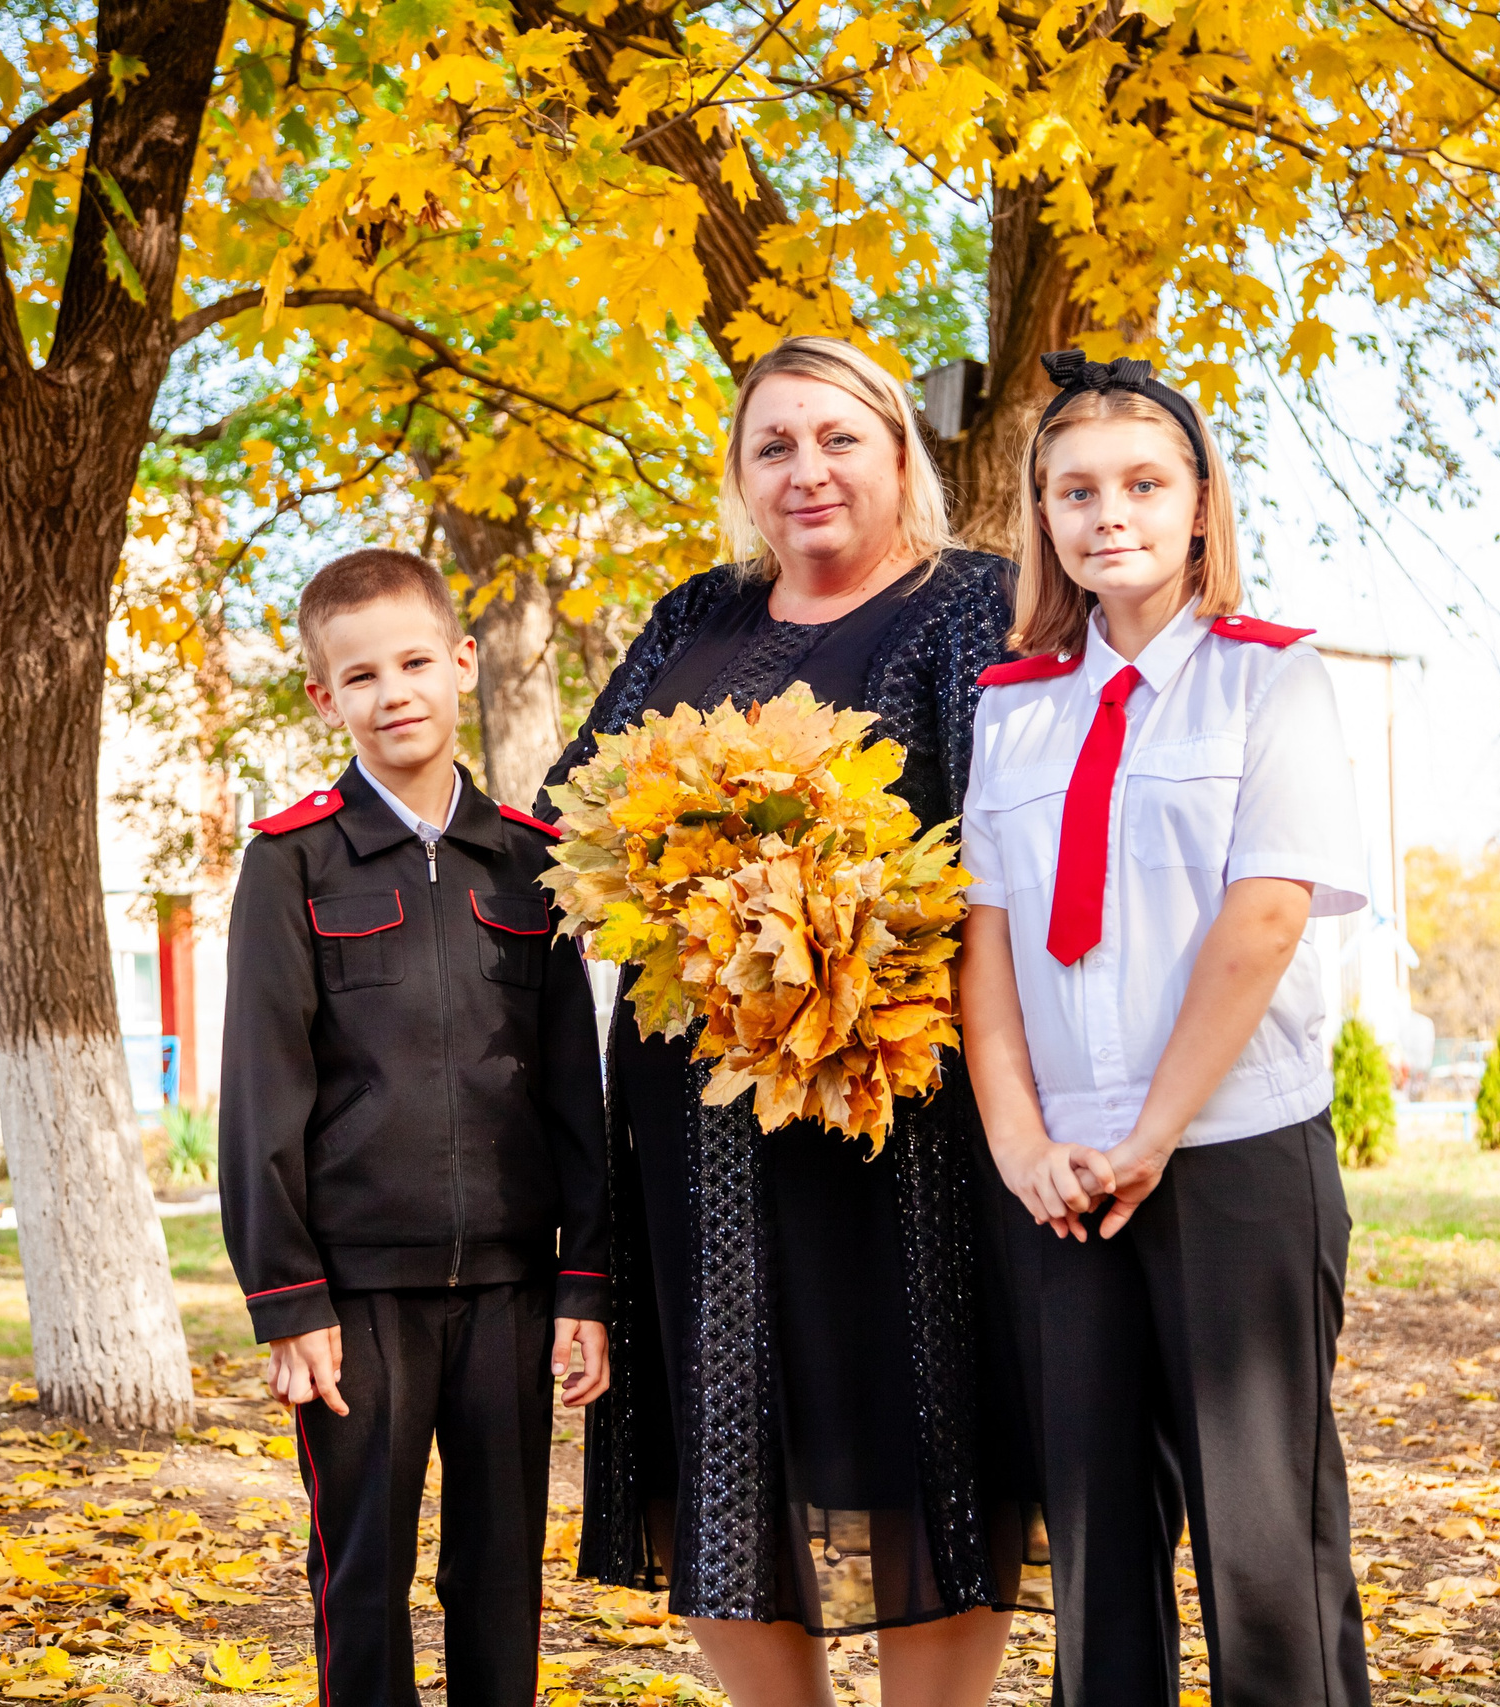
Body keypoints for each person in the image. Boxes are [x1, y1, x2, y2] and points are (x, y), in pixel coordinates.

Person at [547, 337, 1033, 1705]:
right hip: (693, 1123)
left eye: (839, 438)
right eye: (775, 445)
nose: (807, 469)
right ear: (741, 474)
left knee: (920, 1422)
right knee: (721, 1436)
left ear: (899, 453)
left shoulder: (968, 605)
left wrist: (833, 897)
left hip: (893, 1106)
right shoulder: (694, 614)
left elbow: (1011, 837)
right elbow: (576, 809)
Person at [958, 352, 1373, 1707]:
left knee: (1265, 1549)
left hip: (1231, 1155)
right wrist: (1022, 1140)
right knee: (1094, 1546)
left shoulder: (1274, 679)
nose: (1108, 513)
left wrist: (1153, 1131)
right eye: (1073, 490)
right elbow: (990, 936)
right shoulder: (1012, 705)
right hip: (1061, 1179)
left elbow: (1262, 918)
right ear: (1043, 516)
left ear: (1202, 504)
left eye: (1143, 482)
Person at [219, 548, 612, 1707]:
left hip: (509, 1287)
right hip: (355, 1302)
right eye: (359, 675)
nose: (392, 693)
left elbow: (568, 1089)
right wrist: (287, 1300)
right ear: (322, 696)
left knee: (501, 1575)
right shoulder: (291, 860)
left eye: (411, 663)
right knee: (365, 1572)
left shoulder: (532, 863)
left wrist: (581, 1281)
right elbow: (261, 1092)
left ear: (462, 663)